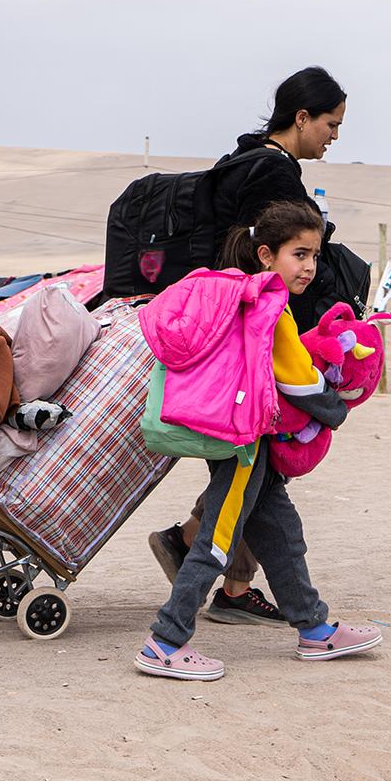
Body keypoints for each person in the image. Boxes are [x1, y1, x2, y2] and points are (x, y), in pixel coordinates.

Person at [137, 201, 382, 682]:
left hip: (250, 439)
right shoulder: (271, 306)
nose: (310, 266)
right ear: (267, 254)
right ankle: (165, 641)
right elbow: (298, 380)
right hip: (246, 446)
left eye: (315, 255)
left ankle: (314, 629)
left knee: (284, 535)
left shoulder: (246, 295)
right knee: (217, 541)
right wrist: (336, 408)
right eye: (300, 254)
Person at [147, 67, 348, 627]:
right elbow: (278, 258)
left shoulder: (240, 160)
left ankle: (263, 601)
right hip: (255, 354)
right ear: (302, 117)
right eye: (330, 124)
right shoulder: (272, 175)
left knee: (262, 487)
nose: (334, 136)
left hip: (238, 343)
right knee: (252, 481)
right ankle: (176, 622)